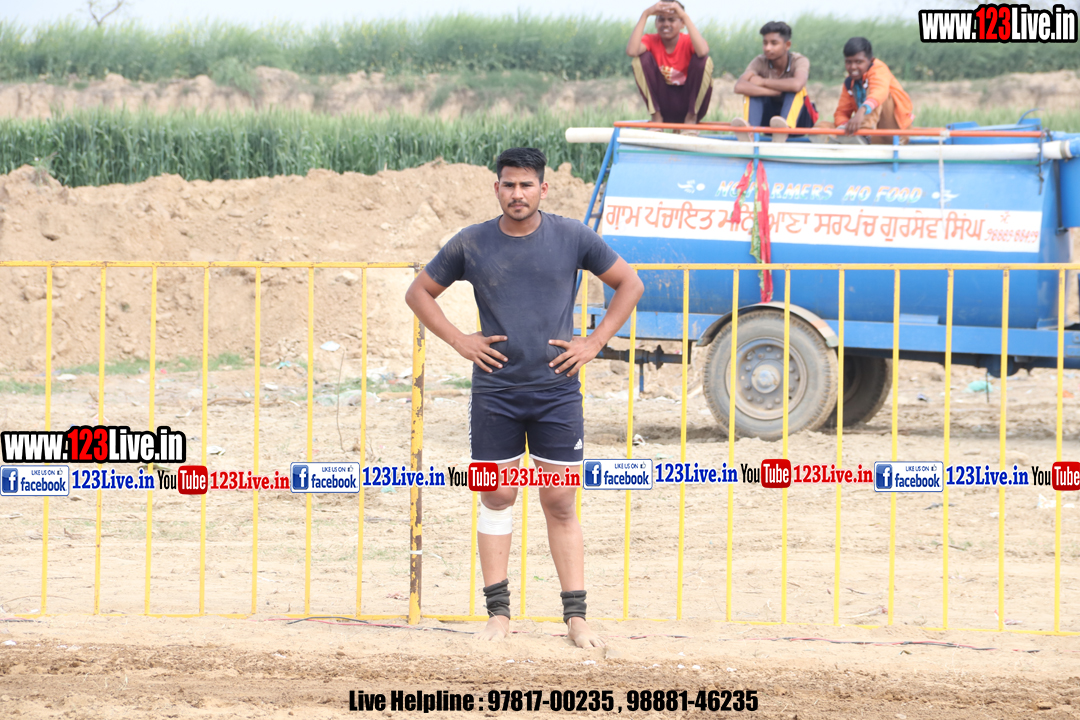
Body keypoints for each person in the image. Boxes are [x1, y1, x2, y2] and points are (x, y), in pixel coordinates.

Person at [404, 148, 644, 648]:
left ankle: (576, 618)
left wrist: (594, 343)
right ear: (497, 188)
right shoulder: (471, 242)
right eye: (509, 185)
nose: (517, 194)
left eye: (526, 185)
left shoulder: (573, 236)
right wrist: (459, 340)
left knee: (559, 500)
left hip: (558, 392)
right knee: (497, 496)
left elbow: (629, 284)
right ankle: (498, 615)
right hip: (496, 393)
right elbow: (418, 293)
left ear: (543, 189)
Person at [626, 2, 714, 126]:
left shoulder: (689, 41)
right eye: (661, 19)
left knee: (703, 61)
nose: (666, 24)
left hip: (689, 105)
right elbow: (632, 51)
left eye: (671, 20)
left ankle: (691, 118)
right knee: (639, 59)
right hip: (664, 106)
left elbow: (703, 51)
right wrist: (645, 14)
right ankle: (656, 116)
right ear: (656, 23)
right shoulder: (651, 40)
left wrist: (684, 16)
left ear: (682, 24)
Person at [731, 21, 816, 143]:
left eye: (774, 43)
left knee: (797, 90)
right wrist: (774, 92)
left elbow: (797, 84)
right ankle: (750, 132)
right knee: (751, 91)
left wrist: (763, 82)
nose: (767, 48)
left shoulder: (799, 60)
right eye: (765, 43)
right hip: (770, 120)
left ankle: (784, 130)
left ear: (787, 45)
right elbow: (739, 86)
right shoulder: (760, 61)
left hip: (800, 122)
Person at [823, 37, 915, 145]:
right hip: (874, 136)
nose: (853, 67)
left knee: (877, 94)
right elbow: (842, 112)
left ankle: (864, 133)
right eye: (848, 62)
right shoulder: (849, 82)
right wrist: (845, 125)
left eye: (859, 62)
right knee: (823, 126)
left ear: (870, 60)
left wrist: (862, 110)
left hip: (896, 133)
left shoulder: (878, 69)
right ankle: (838, 140)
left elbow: (879, 92)